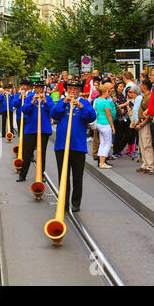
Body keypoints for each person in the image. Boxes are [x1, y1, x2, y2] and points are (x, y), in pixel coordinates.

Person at [51, 80, 97, 211]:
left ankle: (76, 203)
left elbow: (91, 117)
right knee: (63, 176)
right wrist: (64, 102)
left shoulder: (85, 102)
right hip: (61, 145)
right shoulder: (61, 102)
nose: (72, 91)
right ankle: (63, 202)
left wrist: (81, 106)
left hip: (78, 146)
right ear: (66, 90)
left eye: (75, 89)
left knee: (77, 176)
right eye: (70, 88)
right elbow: (53, 114)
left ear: (79, 91)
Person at [17, 81, 55, 182]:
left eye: (41, 88)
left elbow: (53, 110)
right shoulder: (30, 97)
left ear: (43, 89)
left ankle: (41, 174)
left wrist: (45, 101)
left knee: (42, 153)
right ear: (35, 88)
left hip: (44, 130)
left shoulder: (48, 98)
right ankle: (23, 174)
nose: (39, 90)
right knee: (27, 153)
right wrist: (32, 101)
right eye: (37, 88)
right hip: (31, 129)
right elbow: (24, 109)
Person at [135, 79, 154, 174]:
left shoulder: (149, 97)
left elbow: (149, 113)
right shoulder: (145, 96)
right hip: (142, 122)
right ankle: (145, 164)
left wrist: (142, 123)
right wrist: (138, 121)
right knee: (143, 144)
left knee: (147, 145)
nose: (140, 87)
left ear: (144, 86)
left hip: (145, 124)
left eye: (141, 85)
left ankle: (151, 165)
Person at [93, 83, 116, 168]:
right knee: (108, 143)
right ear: (105, 91)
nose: (109, 93)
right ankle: (103, 162)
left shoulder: (97, 100)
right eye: (109, 91)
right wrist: (112, 126)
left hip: (99, 123)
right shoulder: (106, 102)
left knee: (102, 143)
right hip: (105, 124)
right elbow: (109, 115)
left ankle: (101, 162)